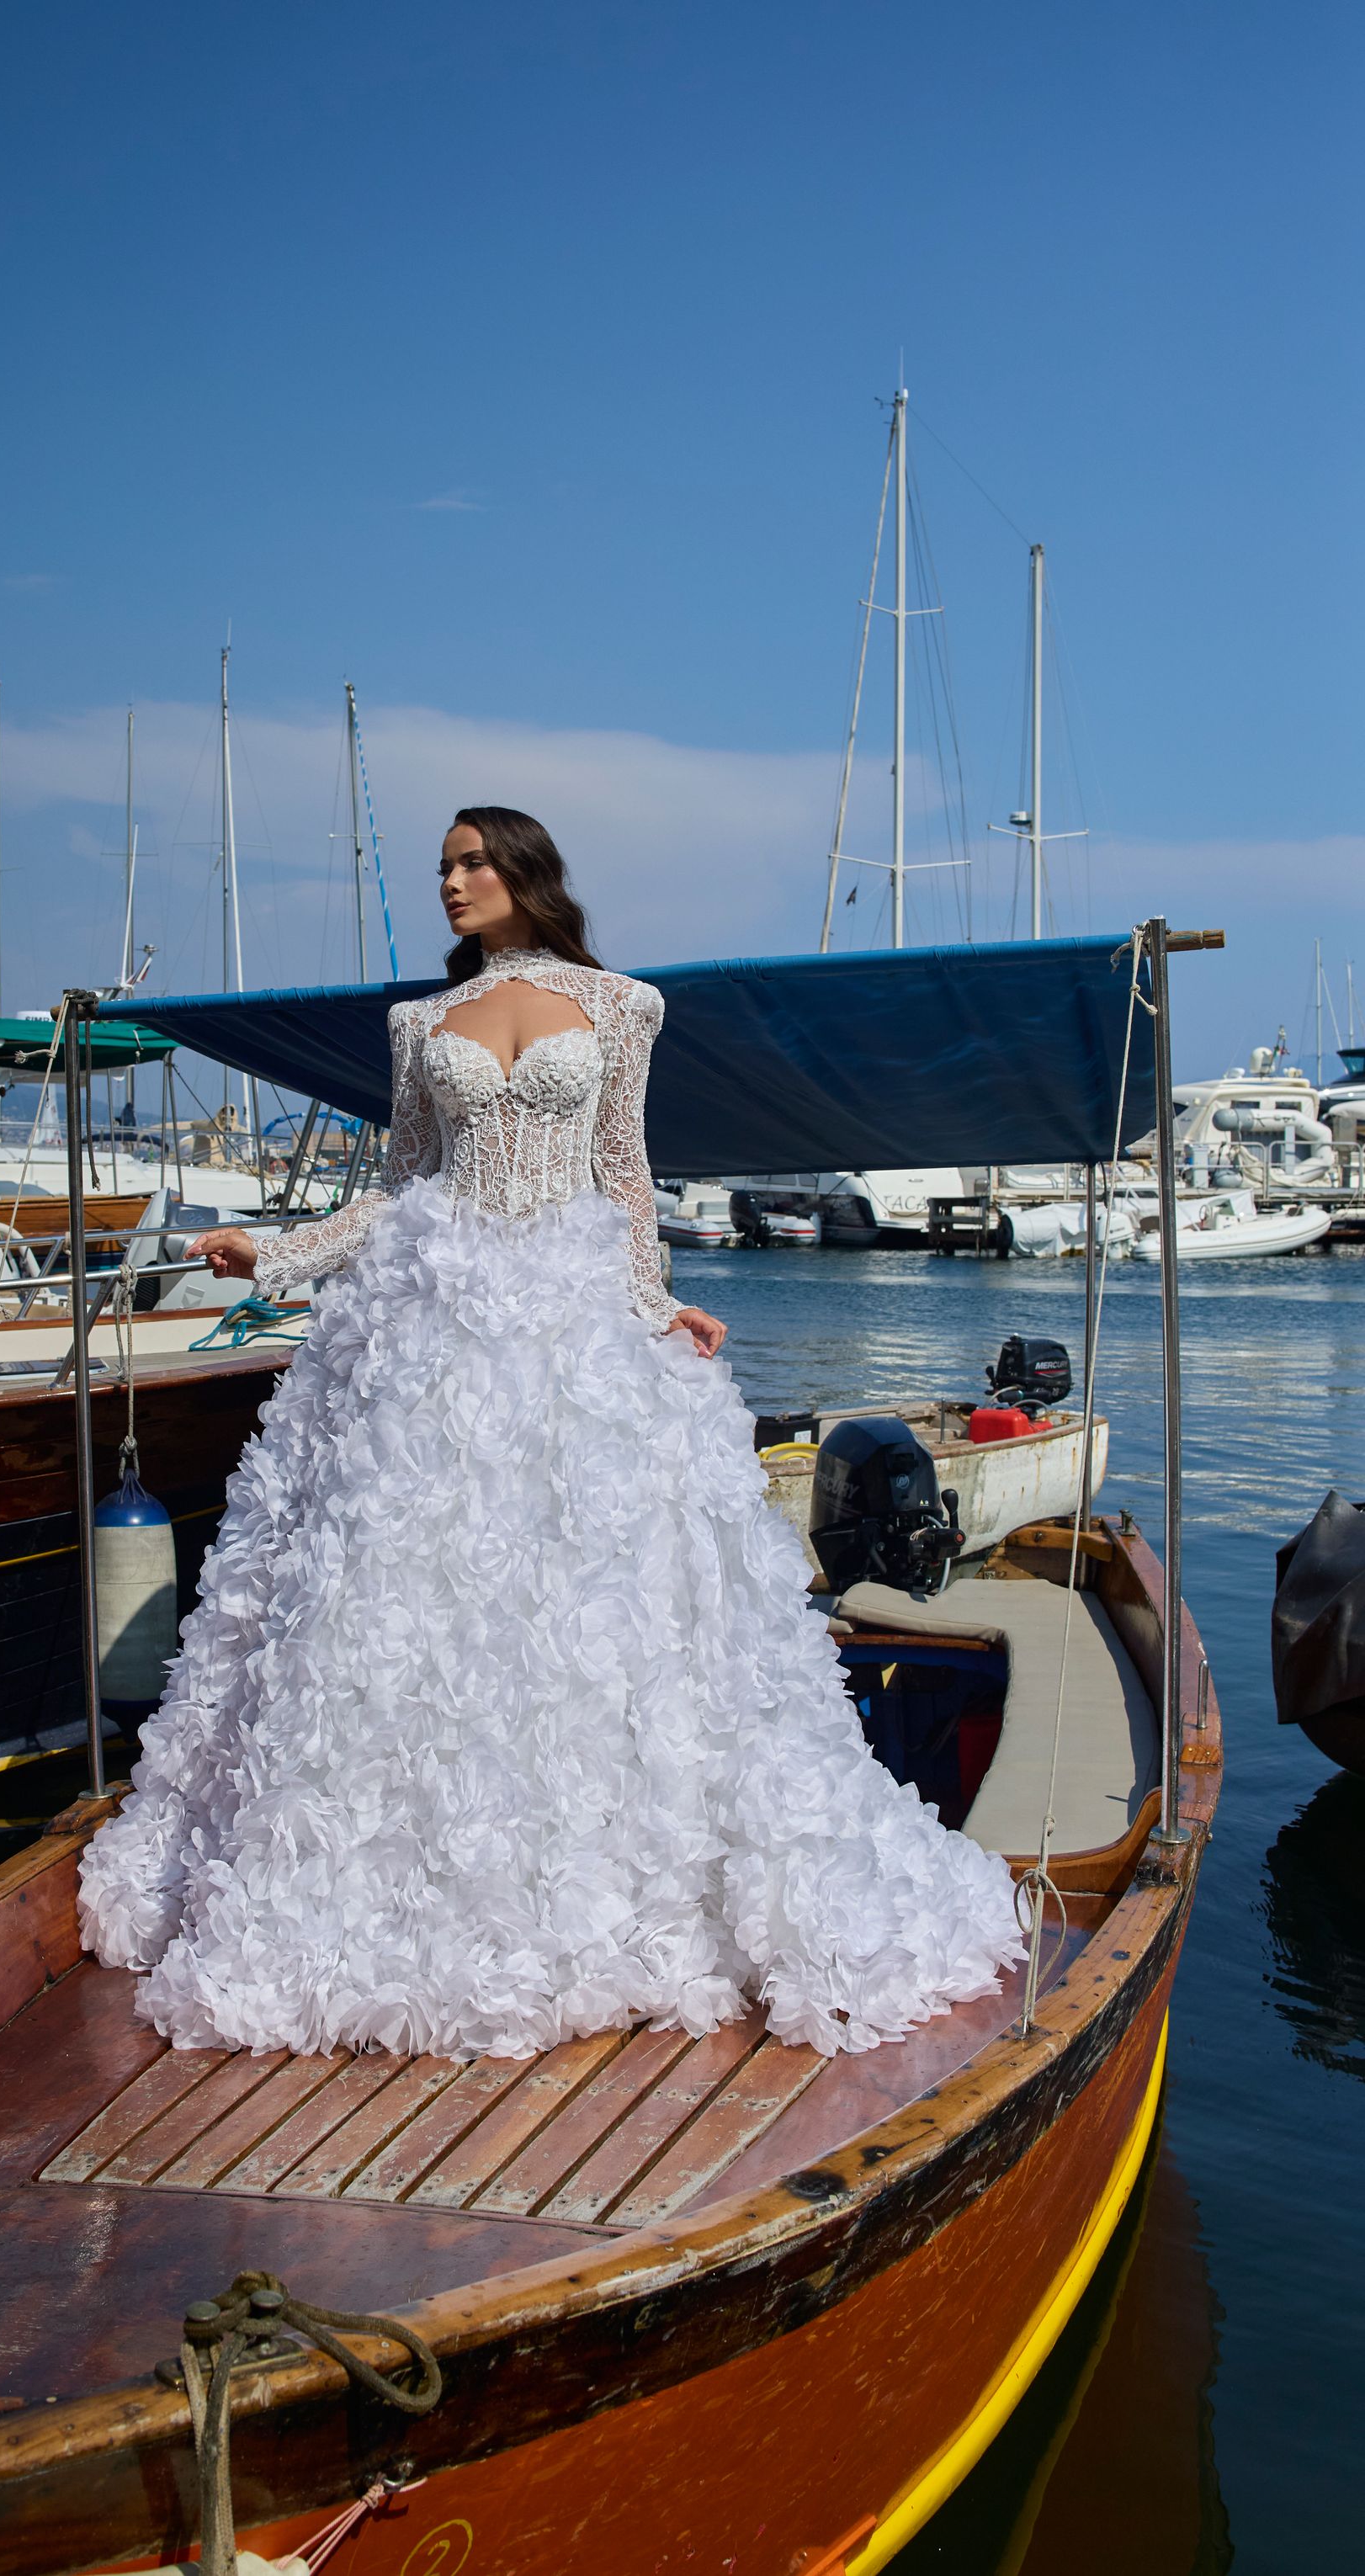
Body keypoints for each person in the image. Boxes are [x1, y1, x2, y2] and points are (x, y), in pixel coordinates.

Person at [79, 807, 1022, 2059]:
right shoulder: (421, 1026)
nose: (452, 885)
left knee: (593, 1603)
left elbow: (623, 1178)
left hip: (573, 1326)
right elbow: (405, 1186)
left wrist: (655, 1304)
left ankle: (606, 1889)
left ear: (523, 874)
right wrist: (278, 1251)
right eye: (443, 869)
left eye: (471, 864)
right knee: (414, 1601)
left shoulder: (621, 1006)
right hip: (437, 1330)